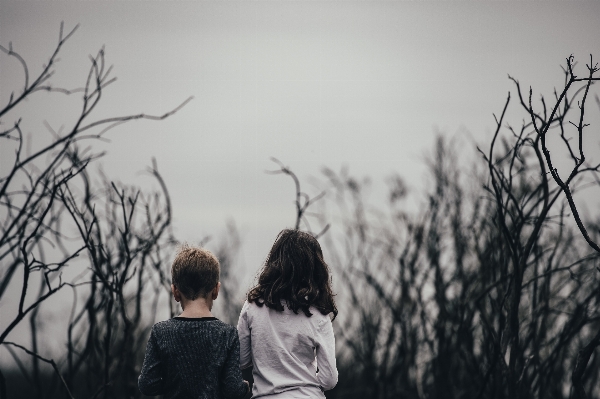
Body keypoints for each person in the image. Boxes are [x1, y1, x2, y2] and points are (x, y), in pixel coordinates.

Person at [237, 229, 338, 399]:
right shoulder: (319, 314)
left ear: (275, 263)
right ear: (316, 269)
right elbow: (329, 380)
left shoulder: (253, 305)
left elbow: (242, 359)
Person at [138, 244, 249, 399]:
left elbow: (147, 385)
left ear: (175, 292)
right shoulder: (227, 334)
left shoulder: (161, 332)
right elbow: (232, 390)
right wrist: (245, 387)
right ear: (216, 290)